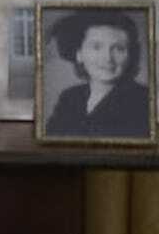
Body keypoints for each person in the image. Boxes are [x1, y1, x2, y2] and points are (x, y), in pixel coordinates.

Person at [44, 10, 152, 139]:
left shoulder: (143, 100)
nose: (107, 58)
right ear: (79, 54)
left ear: (130, 55)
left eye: (118, 48)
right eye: (96, 47)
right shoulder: (70, 97)